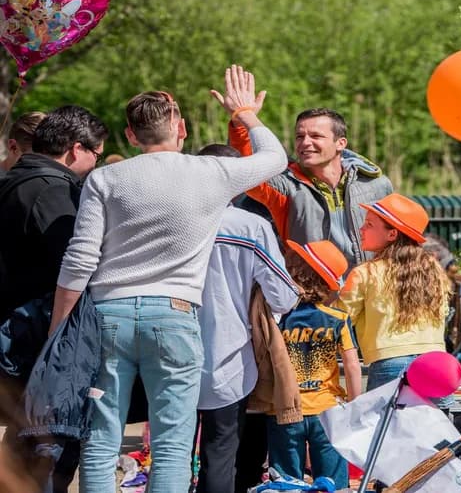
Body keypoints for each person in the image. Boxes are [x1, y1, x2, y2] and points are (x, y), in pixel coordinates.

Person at [49, 65, 288, 493]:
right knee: (173, 445)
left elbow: (80, 258)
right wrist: (246, 113)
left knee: (101, 440)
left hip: (108, 315)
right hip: (176, 315)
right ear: (180, 128)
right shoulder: (210, 173)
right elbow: (276, 158)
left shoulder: (105, 178)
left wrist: (59, 328)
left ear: (130, 135)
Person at [0, 105, 106, 493]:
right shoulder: (51, 190)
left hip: (17, 328)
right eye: (96, 154)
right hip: (37, 334)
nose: (95, 162)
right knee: (46, 443)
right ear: (76, 150)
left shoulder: (15, 180)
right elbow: (74, 265)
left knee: (27, 440)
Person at [193, 143, 300, 493]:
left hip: (162, 347)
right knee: (219, 453)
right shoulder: (250, 226)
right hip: (229, 356)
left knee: (169, 451)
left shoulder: (168, 218)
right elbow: (283, 295)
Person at [227, 105, 393, 267]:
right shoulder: (287, 187)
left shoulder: (376, 184)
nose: (305, 142)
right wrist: (242, 121)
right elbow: (248, 171)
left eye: (316, 136)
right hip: (312, 292)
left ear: (340, 143)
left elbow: (399, 240)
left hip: (369, 291)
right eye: (300, 136)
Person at [268, 239, 361, 486]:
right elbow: (352, 365)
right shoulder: (338, 318)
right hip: (328, 410)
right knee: (333, 482)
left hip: (285, 409)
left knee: (286, 483)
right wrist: (355, 405)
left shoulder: (277, 318)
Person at [337, 193, 449, 391]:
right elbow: (444, 312)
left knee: (388, 423)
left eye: (369, 224)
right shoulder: (434, 269)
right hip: (437, 363)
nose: (361, 229)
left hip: (391, 365)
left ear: (392, 234)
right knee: (433, 423)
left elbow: (339, 321)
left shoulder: (365, 273)